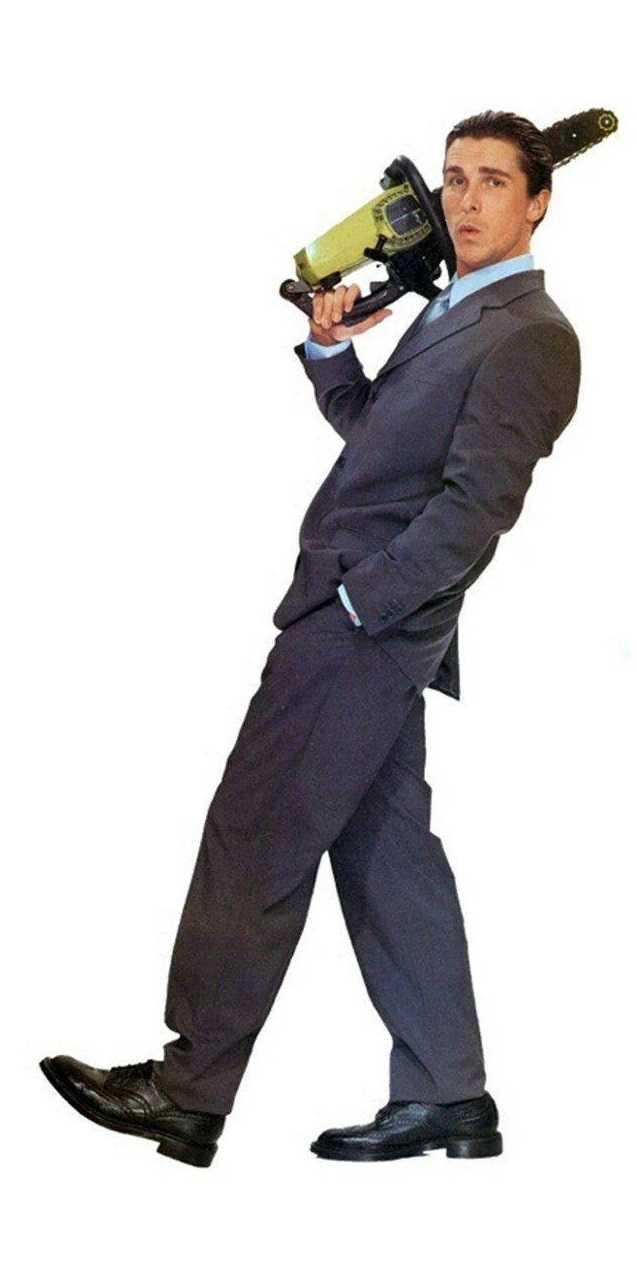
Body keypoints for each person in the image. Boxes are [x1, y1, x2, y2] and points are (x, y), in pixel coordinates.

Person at [39, 110, 581, 1168]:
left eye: (490, 181)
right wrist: (331, 351)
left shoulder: (530, 333)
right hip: (364, 625)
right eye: (453, 179)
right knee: (388, 856)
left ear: (538, 202)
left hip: (360, 633)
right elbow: (383, 446)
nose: (465, 200)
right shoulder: (456, 308)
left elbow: (476, 509)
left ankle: (186, 1091)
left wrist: (361, 607)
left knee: (256, 832)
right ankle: (448, 1096)